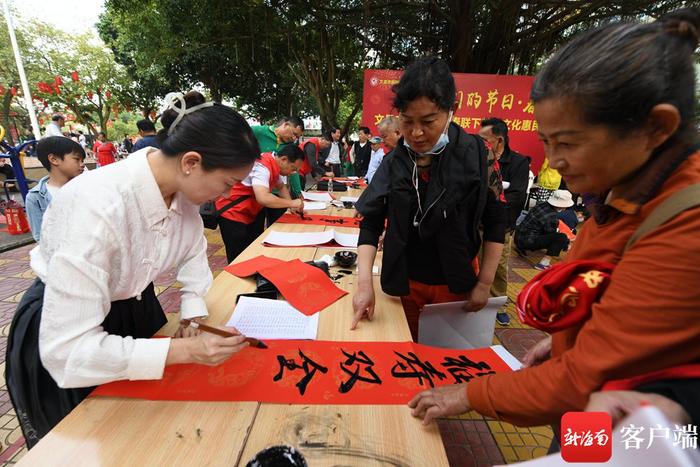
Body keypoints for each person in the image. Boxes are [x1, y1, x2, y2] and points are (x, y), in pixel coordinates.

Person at [407, 8, 700, 432]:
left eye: (567, 142)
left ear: (656, 127)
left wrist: (471, 393)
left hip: (637, 433)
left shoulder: (684, 229)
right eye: (547, 141)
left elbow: (583, 379)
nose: (555, 161)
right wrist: (567, 338)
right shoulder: (619, 192)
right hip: (594, 416)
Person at [5, 90, 260, 448]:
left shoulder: (182, 192)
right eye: (227, 184)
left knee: (146, 435)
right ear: (191, 162)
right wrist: (187, 352)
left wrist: (190, 315)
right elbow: (69, 353)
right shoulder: (97, 206)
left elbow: (193, 253)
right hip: (64, 327)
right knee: (92, 442)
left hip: (137, 308)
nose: (223, 196)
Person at [353, 57, 506, 340]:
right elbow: (371, 222)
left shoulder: (478, 155)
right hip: (405, 281)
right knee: (407, 352)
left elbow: (496, 221)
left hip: (457, 282)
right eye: (407, 121)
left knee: (445, 360)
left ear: (452, 110)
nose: (416, 133)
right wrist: (364, 285)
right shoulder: (396, 158)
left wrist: (485, 283)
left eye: (428, 121)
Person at [479, 117, 530, 325]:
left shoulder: (518, 162)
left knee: (498, 267)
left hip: (502, 227)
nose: (481, 143)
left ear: (499, 140)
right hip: (477, 224)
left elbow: (517, 197)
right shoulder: (479, 158)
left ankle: (497, 305)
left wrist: (491, 208)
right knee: (476, 263)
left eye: (485, 139)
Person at [216, 144, 306, 263]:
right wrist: (293, 203)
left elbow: (280, 187)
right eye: (293, 168)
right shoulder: (262, 167)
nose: (292, 173)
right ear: (284, 159)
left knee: (253, 251)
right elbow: (263, 198)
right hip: (233, 213)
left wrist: (291, 205)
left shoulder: (274, 164)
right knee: (238, 258)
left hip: (249, 213)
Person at [25, 137, 86, 242]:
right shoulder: (35, 197)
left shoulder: (86, 187)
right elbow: (40, 236)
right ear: (54, 159)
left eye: (82, 160)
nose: (82, 164)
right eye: (77, 159)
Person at [514, 189, 573, 270]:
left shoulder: (542, 204)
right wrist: (566, 244)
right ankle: (543, 263)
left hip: (518, 237)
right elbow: (551, 234)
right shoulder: (551, 216)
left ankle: (521, 248)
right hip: (527, 241)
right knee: (561, 238)